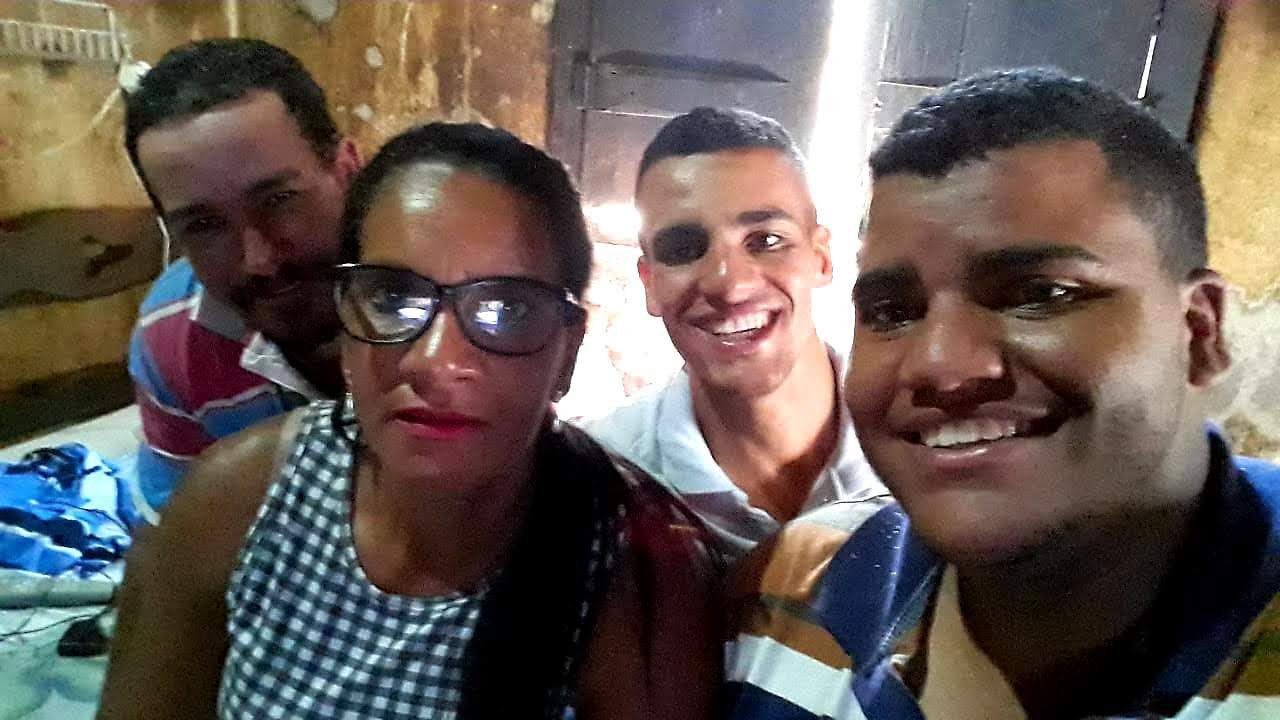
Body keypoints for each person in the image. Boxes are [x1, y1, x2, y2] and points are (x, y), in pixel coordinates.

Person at [98, 122, 721, 720]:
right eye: (393, 298)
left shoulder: (641, 577)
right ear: (345, 323)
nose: (433, 361)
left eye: (505, 309)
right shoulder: (240, 500)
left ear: (567, 353)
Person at [720, 68, 1280, 720]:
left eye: (1040, 294)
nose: (941, 367)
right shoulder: (792, 595)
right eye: (891, 312)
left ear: (1199, 331)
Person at [584, 107, 884, 563]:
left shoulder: (915, 442)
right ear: (649, 283)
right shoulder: (600, 476)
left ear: (821, 259)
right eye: (684, 249)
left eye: (766, 240)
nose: (729, 285)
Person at [124, 38, 359, 514]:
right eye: (203, 225)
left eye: (278, 201)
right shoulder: (171, 339)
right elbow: (187, 533)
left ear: (348, 171)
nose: (258, 261)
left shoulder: (450, 296)